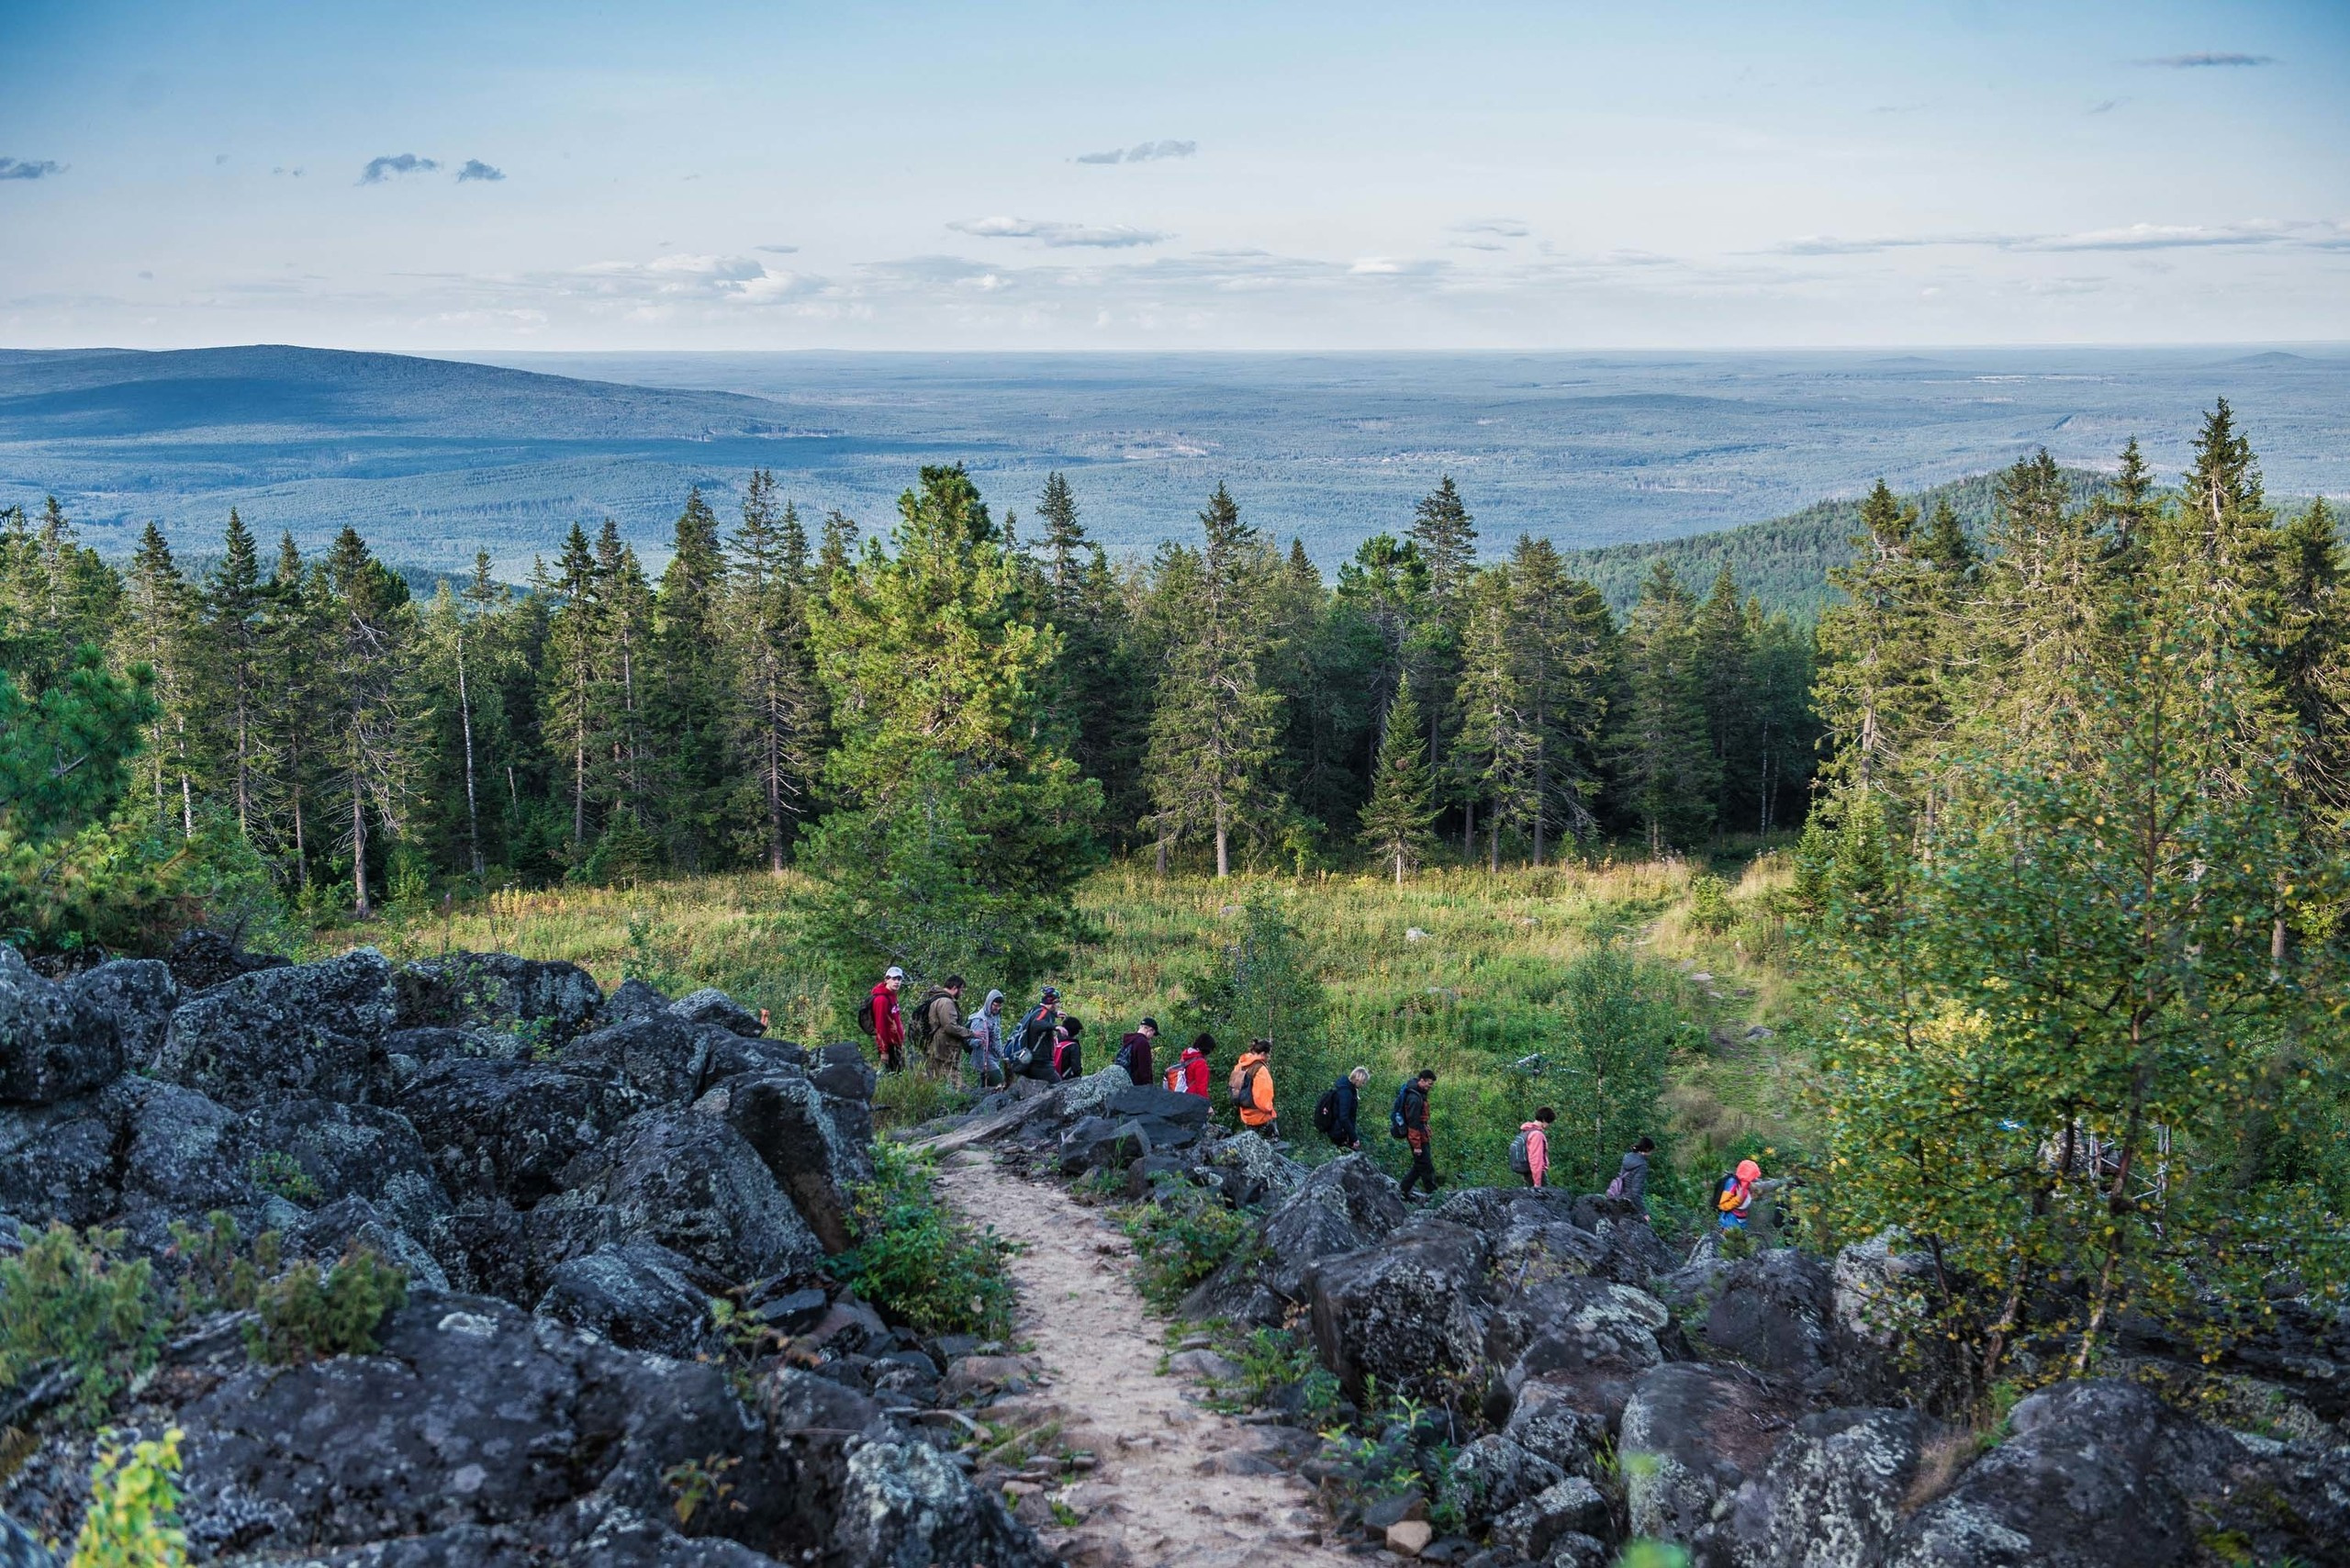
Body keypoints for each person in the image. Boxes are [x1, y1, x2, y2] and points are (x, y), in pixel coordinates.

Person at [917, 976, 970, 1073]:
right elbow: (950, 1027)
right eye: (961, 990)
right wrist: (970, 1033)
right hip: (944, 1050)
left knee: (937, 1079)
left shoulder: (936, 999)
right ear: (955, 988)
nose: (962, 994)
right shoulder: (946, 1002)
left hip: (936, 1047)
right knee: (953, 1080)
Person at [1398, 1070, 1438, 1199]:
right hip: (1417, 1136)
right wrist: (1417, 1145)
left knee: (1419, 1165)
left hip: (1422, 1133)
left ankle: (1402, 1190)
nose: (1430, 1087)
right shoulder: (1415, 1098)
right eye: (1429, 1084)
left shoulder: (1419, 1093)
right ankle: (1433, 1195)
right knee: (1426, 1166)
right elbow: (1413, 1124)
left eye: (1431, 1084)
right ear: (1422, 1080)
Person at [1012, 986, 1063, 1078]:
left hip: (1031, 1059)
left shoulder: (1037, 1009)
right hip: (1040, 1062)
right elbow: (1036, 1024)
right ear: (1051, 1003)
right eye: (1057, 1002)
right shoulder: (1044, 1013)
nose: (1058, 1006)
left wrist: (1055, 1014)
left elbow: (1039, 1017)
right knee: (1058, 1086)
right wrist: (1056, 1027)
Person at [1231, 1038, 1277, 1138]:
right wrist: (1270, 1111)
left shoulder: (1239, 1067)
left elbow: (1234, 1089)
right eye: (1268, 1055)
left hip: (1246, 1116)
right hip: (1261, 1118)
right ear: (1264, 1054)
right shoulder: (1260, 1070)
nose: (1269, 1057)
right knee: (1270, 1148)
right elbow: (1262, 1097)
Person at [1717, 1157, 1775, 1230]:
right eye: (1753, 1176)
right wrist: (1738, 1199)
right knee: (1731, 1240)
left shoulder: (1748, 1184)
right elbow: (1722, 1205)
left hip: (1742, 1220)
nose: (1755, 1179)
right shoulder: (1732, 1183)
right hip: (1730, 1221)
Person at [867, 966, 906, 1073]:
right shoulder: (881, 999)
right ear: (887, 980)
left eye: (899, 979)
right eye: (894, 979)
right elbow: (880, 1026)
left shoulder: (892, 996)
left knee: (900, 1075)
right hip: (889, 1047)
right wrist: (884, 1051)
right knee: (893, 1076)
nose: (897, 982)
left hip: (897, 1045)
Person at [1321, 1066, 1370, 1150]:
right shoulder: (1346, 1093)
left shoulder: (1345, 1089)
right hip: (1339, 1132)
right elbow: (1344, 1117)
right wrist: (1354, 1138)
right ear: (1358, 1079)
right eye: (1363, 1082)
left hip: (1338, 1130)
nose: (1363, 1085)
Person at [967, 989, 1007, 1088]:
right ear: (989, 1003)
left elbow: (996, 1037)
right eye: (995, 1005)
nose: (997, 1008)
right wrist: (979, 1041)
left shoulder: (995, 1016)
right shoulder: (980, 1019)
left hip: (995, 1056)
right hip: (984, 1058)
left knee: (986, 1088)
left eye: (999, 1006)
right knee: (1000, 1084)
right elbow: (970, 1040)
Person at [1512, 1106, 1556, 1188]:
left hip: (1527, 1173)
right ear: (1543, 1120)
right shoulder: (1537, 1135)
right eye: (1548, 1122)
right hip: (1536, 1175)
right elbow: (1536, 1160)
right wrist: (1537, 1184)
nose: (1549, 1125)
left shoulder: (1526, 1132)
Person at [1611, 1136, 1656, 1214]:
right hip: (1629, 1203)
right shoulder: (1642, 1165)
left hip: (1618, 1197)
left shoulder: (1627, 1157)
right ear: (1647, 1149)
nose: (1651, 1154)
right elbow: (1636, 1192)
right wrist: (1644, 1213)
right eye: (1651, 1151)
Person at [1165, 1032, 1214, 1097]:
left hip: (1181, 1094)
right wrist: (1206, 1103)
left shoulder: (1186, 1056)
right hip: (1192, 1098)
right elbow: (1201, 1087)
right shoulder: (1201, 1063)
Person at [1115, 1017, 1159, 1088]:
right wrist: (1149, 1088)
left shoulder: (1129, 1041)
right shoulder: (1143, 1043)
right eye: (1153, 1034)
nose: (1152, 1037)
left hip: (1126, 1083)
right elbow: (1144, 1070)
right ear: (1150, 1030)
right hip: (1138, 1087)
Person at [1048, 1015, 1085, 1081]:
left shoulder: (1053, 1040)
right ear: (1075, 1032)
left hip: (1051, 1077)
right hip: (1066, 1080)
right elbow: (1076, 1069)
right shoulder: (1073, 1046)